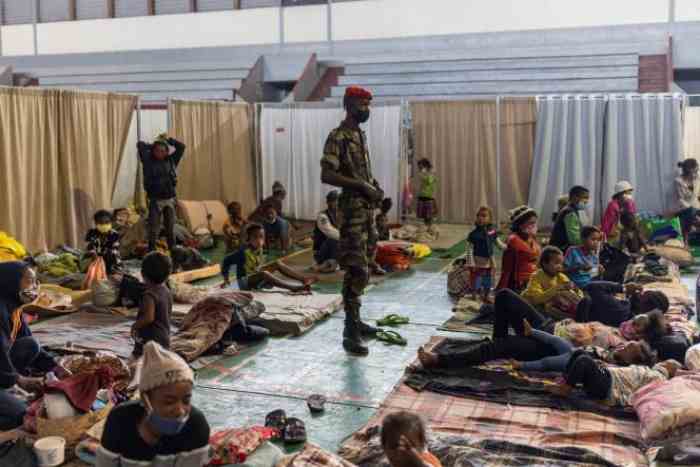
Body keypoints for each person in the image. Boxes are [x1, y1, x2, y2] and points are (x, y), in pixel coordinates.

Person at [321, 86, 386, 355]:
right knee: (356, 269)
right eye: (362, 104)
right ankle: (350, 331)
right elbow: (327, 175)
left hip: (367, 211)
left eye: (369, 105)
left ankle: (356, 320)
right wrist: (360, 185)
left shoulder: (359, 135)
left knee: (366, 265)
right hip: (352, 214)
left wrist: (373, 186)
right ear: (349, 104)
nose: (366, 110)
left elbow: (361, 172)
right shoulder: (338, 136)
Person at [96, 341, 210, 467]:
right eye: (169, 402)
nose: (180, 411)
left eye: (186, 400)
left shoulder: (195, 426)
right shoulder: (120, 419)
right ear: (145, 400)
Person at [0, 262, 71, 430]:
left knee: (30, 345)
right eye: (31, 281)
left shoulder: (14, 309)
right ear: (11, 282)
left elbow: (28, 344)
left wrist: (55, 367)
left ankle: (7, 386)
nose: (35, 286)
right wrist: (19, 380)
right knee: (21, 415)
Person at [554, 354, 681, 406]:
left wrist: (624, 400)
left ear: (669, 371)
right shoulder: (649, 370)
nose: (662, 363)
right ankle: (566, 379)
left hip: (608, 388)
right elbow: (626, 373)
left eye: (666, 363)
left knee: (584, 361)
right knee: (580, 353)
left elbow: (643, 394)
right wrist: (605, 366)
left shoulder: (659, 379)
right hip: (606, 377)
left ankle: (566, 389)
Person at [221, 223, 316, 293]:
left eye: (261, 237)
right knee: (264, 273)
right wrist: (226, 279)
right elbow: (226, 261)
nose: (259, 240)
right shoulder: (242, 252)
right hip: (244, 282)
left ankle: (303, 279)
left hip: (255, 275)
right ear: (248, 238)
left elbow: (257, 266)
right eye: (255, 237)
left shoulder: (260, 248)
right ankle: (293, 288)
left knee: (277, 263)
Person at [138, 135, 186, 253]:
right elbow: (140, 144)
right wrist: (154, 144)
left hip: (169, 199)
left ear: (166, 152)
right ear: (153, 151)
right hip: (155, 200)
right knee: (154, 228)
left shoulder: (171, 160)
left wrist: (170, 141)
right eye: (157, 150)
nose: (160, 153)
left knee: (170, 227)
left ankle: (173, 251)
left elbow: (181, 147)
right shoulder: (148, 160)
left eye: (163, 150)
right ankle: (152, 252)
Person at [520, 246, 584, 320]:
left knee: (568, 294)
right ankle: (576, 317)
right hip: (532, 308)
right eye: (557, 263)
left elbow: (575, 293)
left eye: (561, 263)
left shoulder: (560, 276)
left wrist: (575, 289)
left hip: (549, 306)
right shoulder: (536, 276)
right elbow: (536, 299)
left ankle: (579, 311)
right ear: (544, 263)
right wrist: (558, 288)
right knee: (559, 296)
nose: (560, 266)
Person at [132, 252, 173, 358]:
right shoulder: (166, 291)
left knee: (141, 363)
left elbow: (149, 318)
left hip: (151, 340)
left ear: (142, 274)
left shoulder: (149, 295)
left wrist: (135, 326)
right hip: (164, 338)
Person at [576, 282, 668, 327]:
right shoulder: (629, 317)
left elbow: (591, 287)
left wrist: (623, 288)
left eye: (642, 294)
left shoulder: (621, 310)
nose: (638, 293)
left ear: (644, 305)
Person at [496, 206, 541, 293]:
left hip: (533, 281)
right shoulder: (513, 240)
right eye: (531, 223)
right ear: (520, 224)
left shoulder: (532, 239)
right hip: (518, 284)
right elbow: (507, 268)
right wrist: (502, 289)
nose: (534, 226)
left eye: (535, 223)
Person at [467, 206, 503, 302]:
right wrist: (471, 262)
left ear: (490, 218)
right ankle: (475, 296)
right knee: (476, 280)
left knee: (488, 279)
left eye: (484, 216)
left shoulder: (492, 231)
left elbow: (498, 243)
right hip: (477, 261)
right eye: (478, 215)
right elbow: (469, 249)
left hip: (490, 261)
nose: (480, 218)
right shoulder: (473, 234)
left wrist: (506, 247)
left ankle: (486, 295)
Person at [249, 182, 292, 254]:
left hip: (263, 219)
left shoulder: (273, 200)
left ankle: (276, 244)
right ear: (280, 193)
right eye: (284, 193)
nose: (285, 195)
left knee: (283, 223)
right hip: (260, 220)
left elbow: (278, 215)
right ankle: (282, 247)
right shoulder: (275, 201)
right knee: (284, 225)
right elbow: (274, 216)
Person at [550, 185, 590, 252]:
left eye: (587, 198)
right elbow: (574, 239)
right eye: (585, 198)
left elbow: (585, 227)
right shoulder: (569, 212)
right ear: (575, 197)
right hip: (561, 250)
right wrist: (588, 243)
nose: (586, 201)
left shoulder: (576, 210)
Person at [85, 209, 122, 275]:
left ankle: (113, 270)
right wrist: (92, 252)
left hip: (110, 258)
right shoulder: (91, 233)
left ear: (111, 222)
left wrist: (102, 256)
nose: (104, 225)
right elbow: (89, 245)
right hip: (94, 258)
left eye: (107, 222)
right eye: (101, 223)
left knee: (112, 254)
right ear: (96, 223)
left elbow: (114, 248)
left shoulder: (114, 234)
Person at [313, 191, 341, 273]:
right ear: (328, 202)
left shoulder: (339, 215)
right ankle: (323, 263)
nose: (336, 203)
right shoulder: (322, 216)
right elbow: (331, 233)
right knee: (333, 239)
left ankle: (334, 262)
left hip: (334, 248)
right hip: (321, 252)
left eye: (337, 201)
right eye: (334, 201)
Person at [674, 158, 700, 243]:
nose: (696, 174)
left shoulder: (697, 179)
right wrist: (694, 212)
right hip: (684, 209)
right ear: (687, 172)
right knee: (691, 212)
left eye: (697, 171)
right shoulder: (679, 181)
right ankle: (685, 240)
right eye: (694, 172)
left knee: (694, 212)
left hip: (696, 207)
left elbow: (698, 195)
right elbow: (681, 199)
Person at [416, 158, 438, 233]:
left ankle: (431, 229)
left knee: (429, 215)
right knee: (424, 215)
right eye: (419, 167)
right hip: (422, 195)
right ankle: (426, 229)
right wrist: (422, 174)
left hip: (429, 196)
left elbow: (429, 181)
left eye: (421, 166)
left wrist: (425, 173)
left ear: (425, 165)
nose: (419, 168)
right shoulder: (422, 173)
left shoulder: (431, 172)